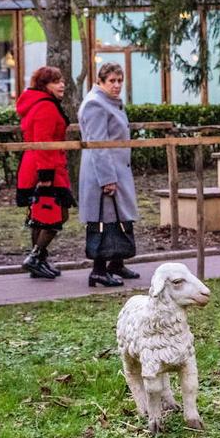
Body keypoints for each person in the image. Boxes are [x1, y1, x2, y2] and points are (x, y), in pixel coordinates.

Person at [79, 62, 139, 287]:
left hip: (116, 168)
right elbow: (98, 144)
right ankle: (98, 270)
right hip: (103, 171)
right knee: (104, 220)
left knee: (119, 216)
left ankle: (116, 262)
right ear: (100, 81)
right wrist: (107, 179)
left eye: (119, 80)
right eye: (112, 81)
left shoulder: (110, 102)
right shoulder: (95, 104)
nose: (116, 85)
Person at [15, 66, 75, 279]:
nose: (62, 85)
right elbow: (44, 142)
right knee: (56, 214)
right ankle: (35, 256)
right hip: (45, 166)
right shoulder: (45, 107)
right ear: (44, 85)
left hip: (36, 165)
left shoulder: (37, 104)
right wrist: (46, 176)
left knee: (41, 216)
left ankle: (39, 261)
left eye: (62, 80)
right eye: (56, 81)